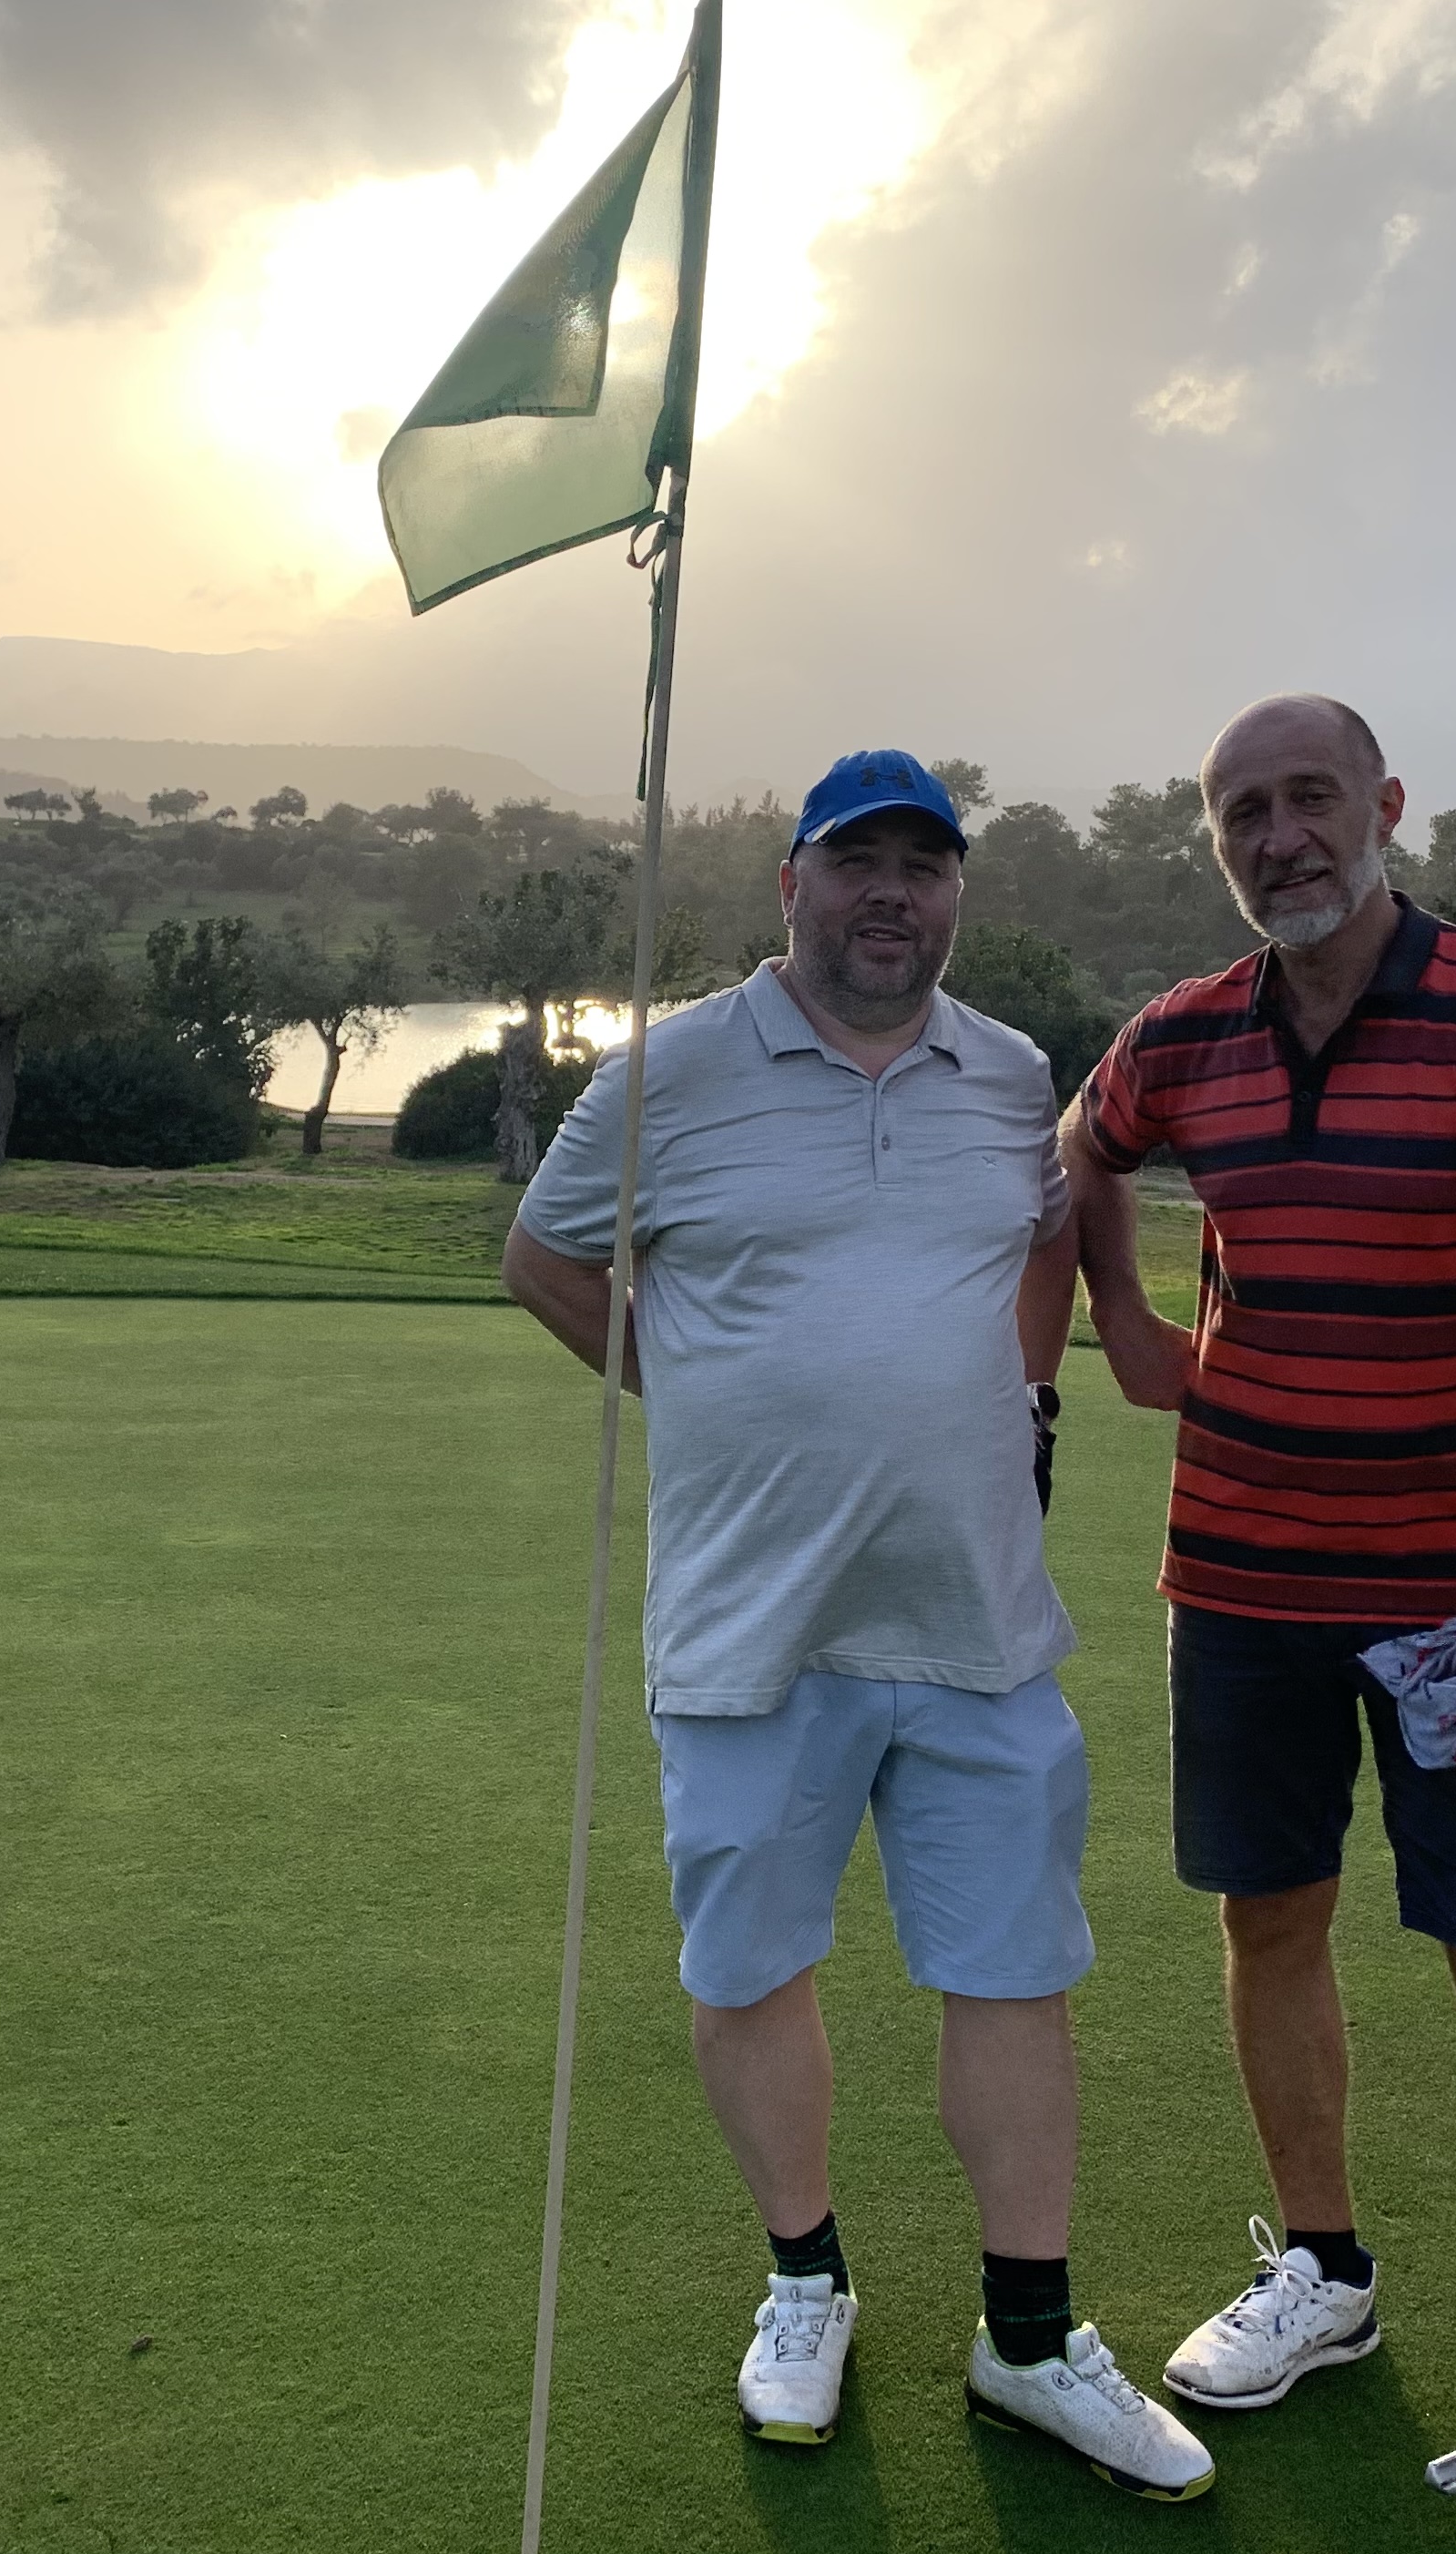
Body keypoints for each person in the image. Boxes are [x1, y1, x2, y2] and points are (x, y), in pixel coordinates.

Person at [504, 748, 1214, 2500]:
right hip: (752, 1630)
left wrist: (1027, 1393)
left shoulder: (1012, 1074)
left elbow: (1048, 1228)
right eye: (856, 860)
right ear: (792, 886)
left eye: (925, 863)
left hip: (976, 1620)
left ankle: (1029, 2339)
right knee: (752, 1969)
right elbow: (546, 1258)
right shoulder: (668, 1073)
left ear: (955, 891)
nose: (892, 892)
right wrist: (701, 1385)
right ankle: (805, 2280)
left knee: (1016, 1973)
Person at [1057, 695, 1456, 2554]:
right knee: (1270, 1922)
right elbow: (1084, 1147)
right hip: (1241, 1580)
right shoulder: (1188, 1034)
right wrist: (1129, 1323)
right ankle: (1324, 2270)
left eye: (1310, 796)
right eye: (1242, 812)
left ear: (1388, 805)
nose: (1280, 836)